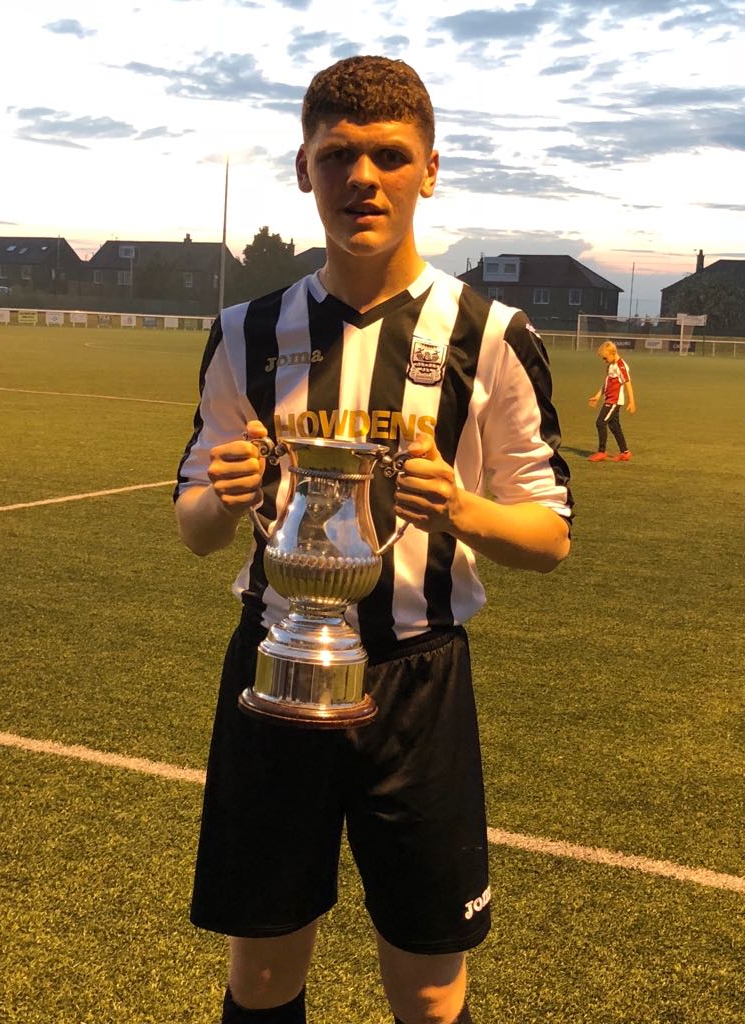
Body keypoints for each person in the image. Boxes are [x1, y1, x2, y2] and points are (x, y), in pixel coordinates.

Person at [174, 55, 573, 1024]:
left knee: (430, 991)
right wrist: (224, 498)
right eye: (338, 155)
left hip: (416, 680)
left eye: (390, 156)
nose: (363, 177)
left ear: (429, 169)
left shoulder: (490, 333)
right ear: (304, 169)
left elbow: (550, 532)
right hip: (276, 668)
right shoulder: (246, 331)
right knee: (261, 974)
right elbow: (192, 523)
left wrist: (463, 509)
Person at [587, 340, 636, 461]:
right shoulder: (610, 366)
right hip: (609, 399)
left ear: (613, 353)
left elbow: (628, 383)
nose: (604, 360)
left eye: (605, 358)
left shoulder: (621, 366)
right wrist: (598, 396)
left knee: (600, 422)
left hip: (614, 401)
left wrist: (632, 401)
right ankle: (625, 452)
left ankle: (601, 451)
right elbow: (606, 383)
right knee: (614, 426)